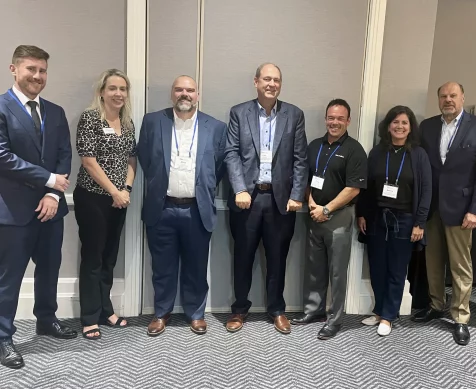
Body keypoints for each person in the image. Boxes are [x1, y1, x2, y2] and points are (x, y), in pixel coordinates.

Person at [0, 45, 75, 369]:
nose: (38, 76)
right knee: (9, 277)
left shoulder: (55, 111)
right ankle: (3, 337)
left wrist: (53, 195)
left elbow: (64, 155)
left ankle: (46, 318)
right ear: (14, 69)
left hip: (50, 208)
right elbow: (2, 156)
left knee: (49, 269)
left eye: (42, 70)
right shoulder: (1, 107)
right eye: (31, 69)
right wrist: (47, 179)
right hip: (13, 212)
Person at [137, 75, 227, 337]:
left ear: (197, 95)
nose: (184, 94)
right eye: (179, 89)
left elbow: (218, 167)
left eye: (190, 90)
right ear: (171, 94)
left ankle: (196, 314)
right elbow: (145, 157)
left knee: (196, 266)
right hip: (162, 207)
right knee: (162, 266)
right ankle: (161, 312)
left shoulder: (216, 127)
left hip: (197, 210)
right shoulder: (153, 121)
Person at [224, 63, 308, 334]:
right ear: (256, 81)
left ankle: (277, 309)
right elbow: (231, 153)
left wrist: (297, 195)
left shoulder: (294, 114)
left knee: (277, 258)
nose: (272, 84)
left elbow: (300, 159)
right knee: (243, 257)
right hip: (246, 199)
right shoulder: (239, 112)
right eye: (267, 79)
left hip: (280, 201)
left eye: (277, 80)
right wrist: (239, 188)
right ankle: (239, 309)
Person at [412, 82, 476, 346]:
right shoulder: (427, 127)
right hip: (432, 207)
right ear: (438, 99)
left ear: (462, 98)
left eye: (453, 96)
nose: (448, 100)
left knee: (460, 266)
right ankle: (436, 305)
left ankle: (460, 317)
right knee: (433, 261)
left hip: (462, 211)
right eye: (443, 96)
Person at [290, 99, 367, 340]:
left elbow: (353, 188)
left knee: (336, 272)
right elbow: (305, 176)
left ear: (348, 121)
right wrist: (312, 203)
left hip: (339, 217)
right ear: (325, 119)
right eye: (331, 118)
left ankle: (334, 320)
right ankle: (314, 311)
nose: (334, 122)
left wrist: (327, 210)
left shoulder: (355, 150)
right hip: (314, 215)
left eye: (340, 118)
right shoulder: (315, 146)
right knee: (314, 267)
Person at [356, 105, 432, 336]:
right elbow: (366, 186)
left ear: (410, 128)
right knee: (377, 267)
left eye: (404, 123)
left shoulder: (418, 155)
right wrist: (362, 213)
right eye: (395, 122)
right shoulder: (378, 153)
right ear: (388, 126)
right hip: (378, 216)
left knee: (397, 269)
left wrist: (420, 223)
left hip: (406, 220)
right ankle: (379, 311)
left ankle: (389, 316)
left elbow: (426, 190)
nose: (399, 126)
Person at [73, 69, 137, 340]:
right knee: (93, 258)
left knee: (109, 258)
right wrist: (114, 191)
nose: (119, 93)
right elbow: (88, 160)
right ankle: (89, 317)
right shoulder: (90, 119)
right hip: (93, 199)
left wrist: (126, 189)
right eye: (113, 88)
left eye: (123, 89)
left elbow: (132, 159)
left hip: (119, 199)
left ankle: (105, 310)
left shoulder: (127, 121)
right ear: (102, 91)